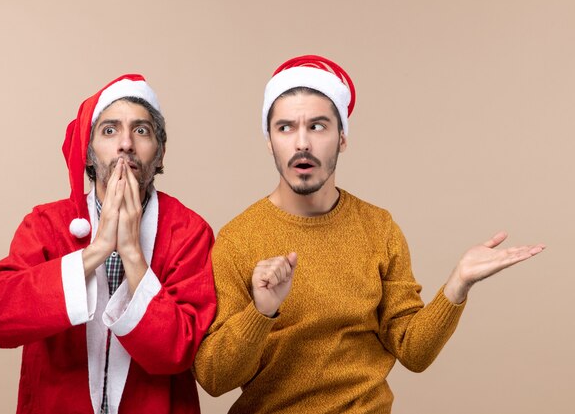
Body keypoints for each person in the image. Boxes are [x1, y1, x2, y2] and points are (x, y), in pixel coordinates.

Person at [193, 55, 545, 413]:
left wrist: (457, 285)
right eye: (285, 128)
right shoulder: (238, 240)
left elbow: (413, 351)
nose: (302, 143)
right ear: (269, 140)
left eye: (317, 126)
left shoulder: (378, 228)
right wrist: (261, 311)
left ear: (342, 137)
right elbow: (213, 379)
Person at [0, 74, 216, 414]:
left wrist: (133, 254)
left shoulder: (189, 232)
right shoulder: (46, 224)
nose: (125, 144)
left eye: (141, 130)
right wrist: (96, 250)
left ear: (161, 154)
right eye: (109, 131)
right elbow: (1, 316)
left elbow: (177, 350)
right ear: (89, 155)